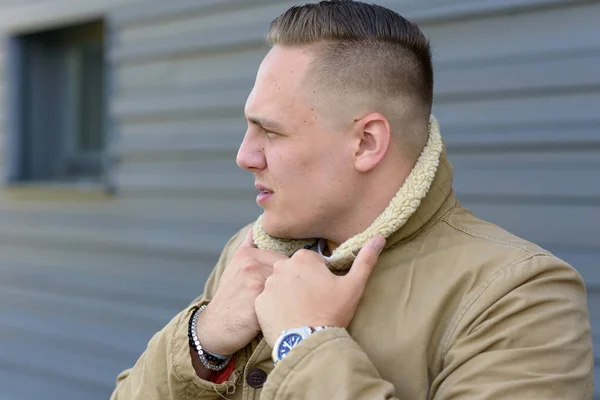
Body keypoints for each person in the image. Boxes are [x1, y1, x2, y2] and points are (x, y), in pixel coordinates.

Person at [110, 1, 593, 399]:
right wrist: (204, 342)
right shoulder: (254, 251)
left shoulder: (516, 293)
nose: (244, 155)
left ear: (366, 143)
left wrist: (306, 342)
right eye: (248, 126)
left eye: (270, 131)